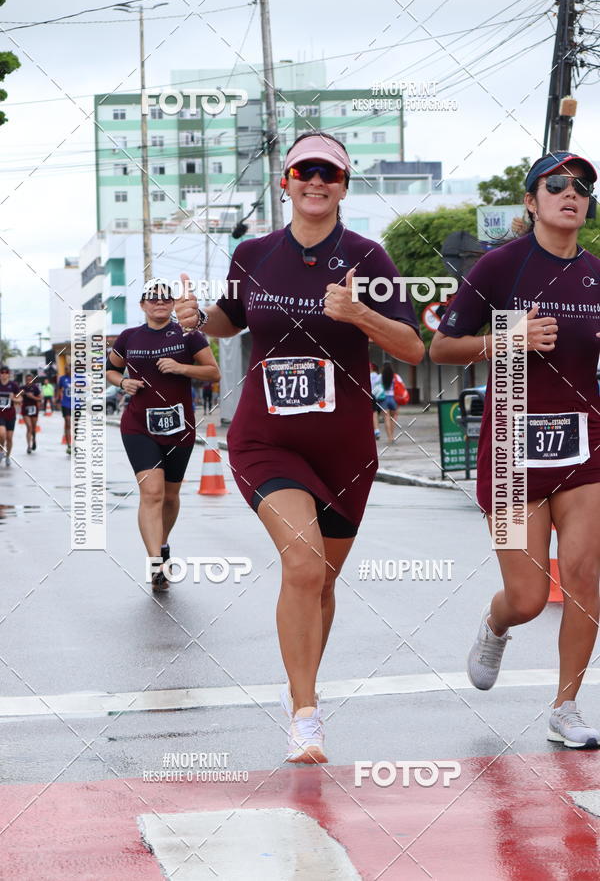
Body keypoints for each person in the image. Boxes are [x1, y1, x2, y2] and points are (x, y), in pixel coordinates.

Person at [174, 130, 423, 762]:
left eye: (329, 173)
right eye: (304, 171)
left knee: (323, 581)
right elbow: (231, 319)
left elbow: (414, 347)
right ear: (284, 181)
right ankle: (306, 714)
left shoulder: (370, 258)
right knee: (304, 566)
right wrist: (195, 319)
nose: (316, 182)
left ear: (344, 185)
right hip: (265, 436)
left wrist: (360, 315)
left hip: (344, 445)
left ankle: (300, 690)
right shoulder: (253, 253)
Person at [430, 151, 600, 749]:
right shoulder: (500, 268)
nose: (570, 194)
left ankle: (566, 706)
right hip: (510, 453)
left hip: (585, 447)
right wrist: (508, 336)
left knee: (584, 575)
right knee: (529, 597)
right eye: (556, 184)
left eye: (582, 186)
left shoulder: (597, 273)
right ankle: (495, 624)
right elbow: (441, 349)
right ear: (531, 201)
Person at [106, 279, 220, 593]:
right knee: (152, 493)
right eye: (152, 299)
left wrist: (182, 369)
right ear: (142, 305)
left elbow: (213, 372)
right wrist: (122, 383)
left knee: (170, 496)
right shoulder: (129, 337)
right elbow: (110, 369)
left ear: (171, 304)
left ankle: (163, 542)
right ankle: (156, 562)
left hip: (179, 426)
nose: (159, 303)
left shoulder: (188, 335)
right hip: (138, 425)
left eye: (164, 299)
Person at [15, 373, 41, 454]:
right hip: (25, 410)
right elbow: (16, 396)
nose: (28, 381)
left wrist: (32, 397)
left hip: (34, 409)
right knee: (29, 427)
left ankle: (34, 440)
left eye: (30, 379)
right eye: (27, 380)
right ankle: (28, 446)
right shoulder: (22, 388)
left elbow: (40, 399)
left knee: (33, 428)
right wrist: (20, 394)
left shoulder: (35, 388)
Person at [0, 366, 19, 466]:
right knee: (2, 434)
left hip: (10, 414)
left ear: (8, 374)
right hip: (0, 414)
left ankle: (7, 456)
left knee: (9, 438)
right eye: (2, 373)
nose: (3, 374)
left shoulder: (13, 385)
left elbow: (20, 399)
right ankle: (1, 451)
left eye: (5, 373)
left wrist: (14, 399)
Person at [55, 367, 72, 455]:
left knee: (75, 425)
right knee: (68, 422)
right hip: (65, 403)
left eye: (68, 369)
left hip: (75, 404)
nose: (67, 370)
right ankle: (69, 444)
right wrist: (57, 399)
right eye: (66, 369)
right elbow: (59, 389)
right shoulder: (62, 379)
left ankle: (74, 443)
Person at [370, 362, 382, 439]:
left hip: (367, 394)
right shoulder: (378, 376)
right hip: (375, 396)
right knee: (374, 413)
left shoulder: (368, 375)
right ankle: (377, 430)